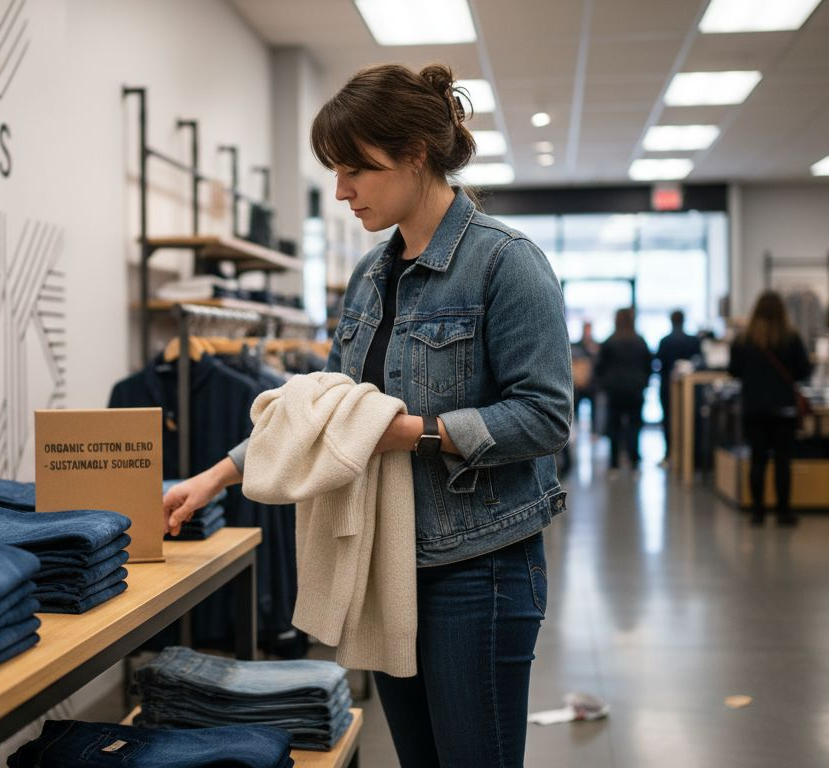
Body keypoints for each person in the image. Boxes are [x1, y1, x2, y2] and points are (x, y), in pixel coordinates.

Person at [161, 63, 573, 767]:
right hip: (389, 563)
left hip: (481, 567)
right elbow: (322, 409)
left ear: (416, 155)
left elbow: (545, 417)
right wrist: (215, 477)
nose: (342, 191)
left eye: (359, 169)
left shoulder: (506, 264)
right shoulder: (369, 275)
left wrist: (418, 433)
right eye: (336, 170)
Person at [728, 291, 811, 526]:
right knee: (783, 461)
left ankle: (757, 512)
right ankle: (783, 512)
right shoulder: (791, 337)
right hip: (784, 408)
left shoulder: (744, 339)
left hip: (754, 407)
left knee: (758, 460)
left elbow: (733, 370)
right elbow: (804, 370)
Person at [595, 307, 652, 474]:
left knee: (614, 425)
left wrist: (604, 384)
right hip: (635, 389)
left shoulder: (609, 342)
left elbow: (600, 367)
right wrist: (644, 383)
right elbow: (649, 365)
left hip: (614, 390)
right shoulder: (640, 341)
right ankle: (634, 461)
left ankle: (614, 463)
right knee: (635, 425)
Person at [655, 309, 703, 465]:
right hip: (691, 390)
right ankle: (691, 457)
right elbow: (700, 362)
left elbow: (658, 364)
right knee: (691, 421)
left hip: (668, 387)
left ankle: (670, 454)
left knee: (669, 420)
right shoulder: (694, 340)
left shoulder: (665, 341)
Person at [571, 321, 600, 435]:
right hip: (578, 385)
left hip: (591, 384)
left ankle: (593, 432)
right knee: (576, 409)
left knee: (594, 410)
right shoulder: (577, 345)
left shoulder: (595, 345)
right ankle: (575, 430)